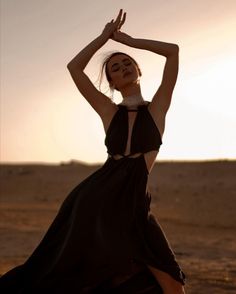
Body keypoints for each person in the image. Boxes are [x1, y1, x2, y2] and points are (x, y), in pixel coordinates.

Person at [0, 9, 185, 294]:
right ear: (111, 84)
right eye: (114, 68)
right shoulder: (108, 111)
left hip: (135, 203)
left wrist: (130, 41)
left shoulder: (158, 108)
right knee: (74, 273)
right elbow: (75, 68)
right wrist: (103, 38)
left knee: (171, 281)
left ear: (138, 70)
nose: (122, 66)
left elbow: (172, 52)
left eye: (127, 63)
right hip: (96, 200)